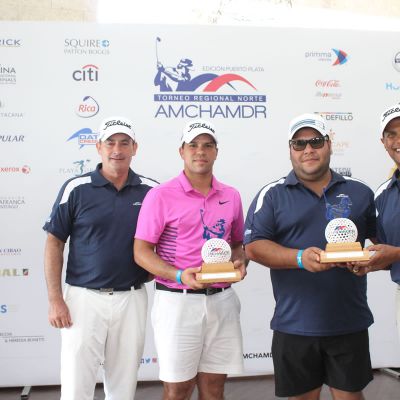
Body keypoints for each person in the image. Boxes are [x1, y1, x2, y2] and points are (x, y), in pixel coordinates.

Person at [244, 113, 376, 400]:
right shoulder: (272, 194)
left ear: (329, 144)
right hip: (294, 325)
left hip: (348, 321)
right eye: (299, 143)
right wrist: (300, 258)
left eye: (315, 141)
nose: (308, 150)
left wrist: (369, 261)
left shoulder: (361, 192)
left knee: (351, 397)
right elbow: (253, 247)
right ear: (290, 149)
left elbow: (381, 247)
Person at [43, 116, 158, 400]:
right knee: (75, 385)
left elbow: (168, 239)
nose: (117, 149)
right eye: (110, 142)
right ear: (98, 147)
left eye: (124, 143)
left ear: (135, 147)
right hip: (83, 299)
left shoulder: (152, 191)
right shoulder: (76, 188)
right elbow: (54, 242)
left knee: (123, 385)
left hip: (131, 298)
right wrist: (56, 300)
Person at [134, 119, 246, 400]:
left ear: (216, 152)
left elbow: (236, 244)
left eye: (207, 145)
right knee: (177, 390)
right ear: (181, 151)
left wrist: (240, 262)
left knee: (214, 387)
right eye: (193, 145)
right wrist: (180, 275)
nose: (200, 151)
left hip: (222, 299)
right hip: (178, 301)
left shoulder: (231, 195)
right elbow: (141, 252)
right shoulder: (160, 195)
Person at [356, 103, 400, 341]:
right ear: (383, 142)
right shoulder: (383, 195)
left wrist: (396, 254)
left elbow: (395, 253)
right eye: (391, 134)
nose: (397, 140)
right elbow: (387, 251)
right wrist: (369, 264)